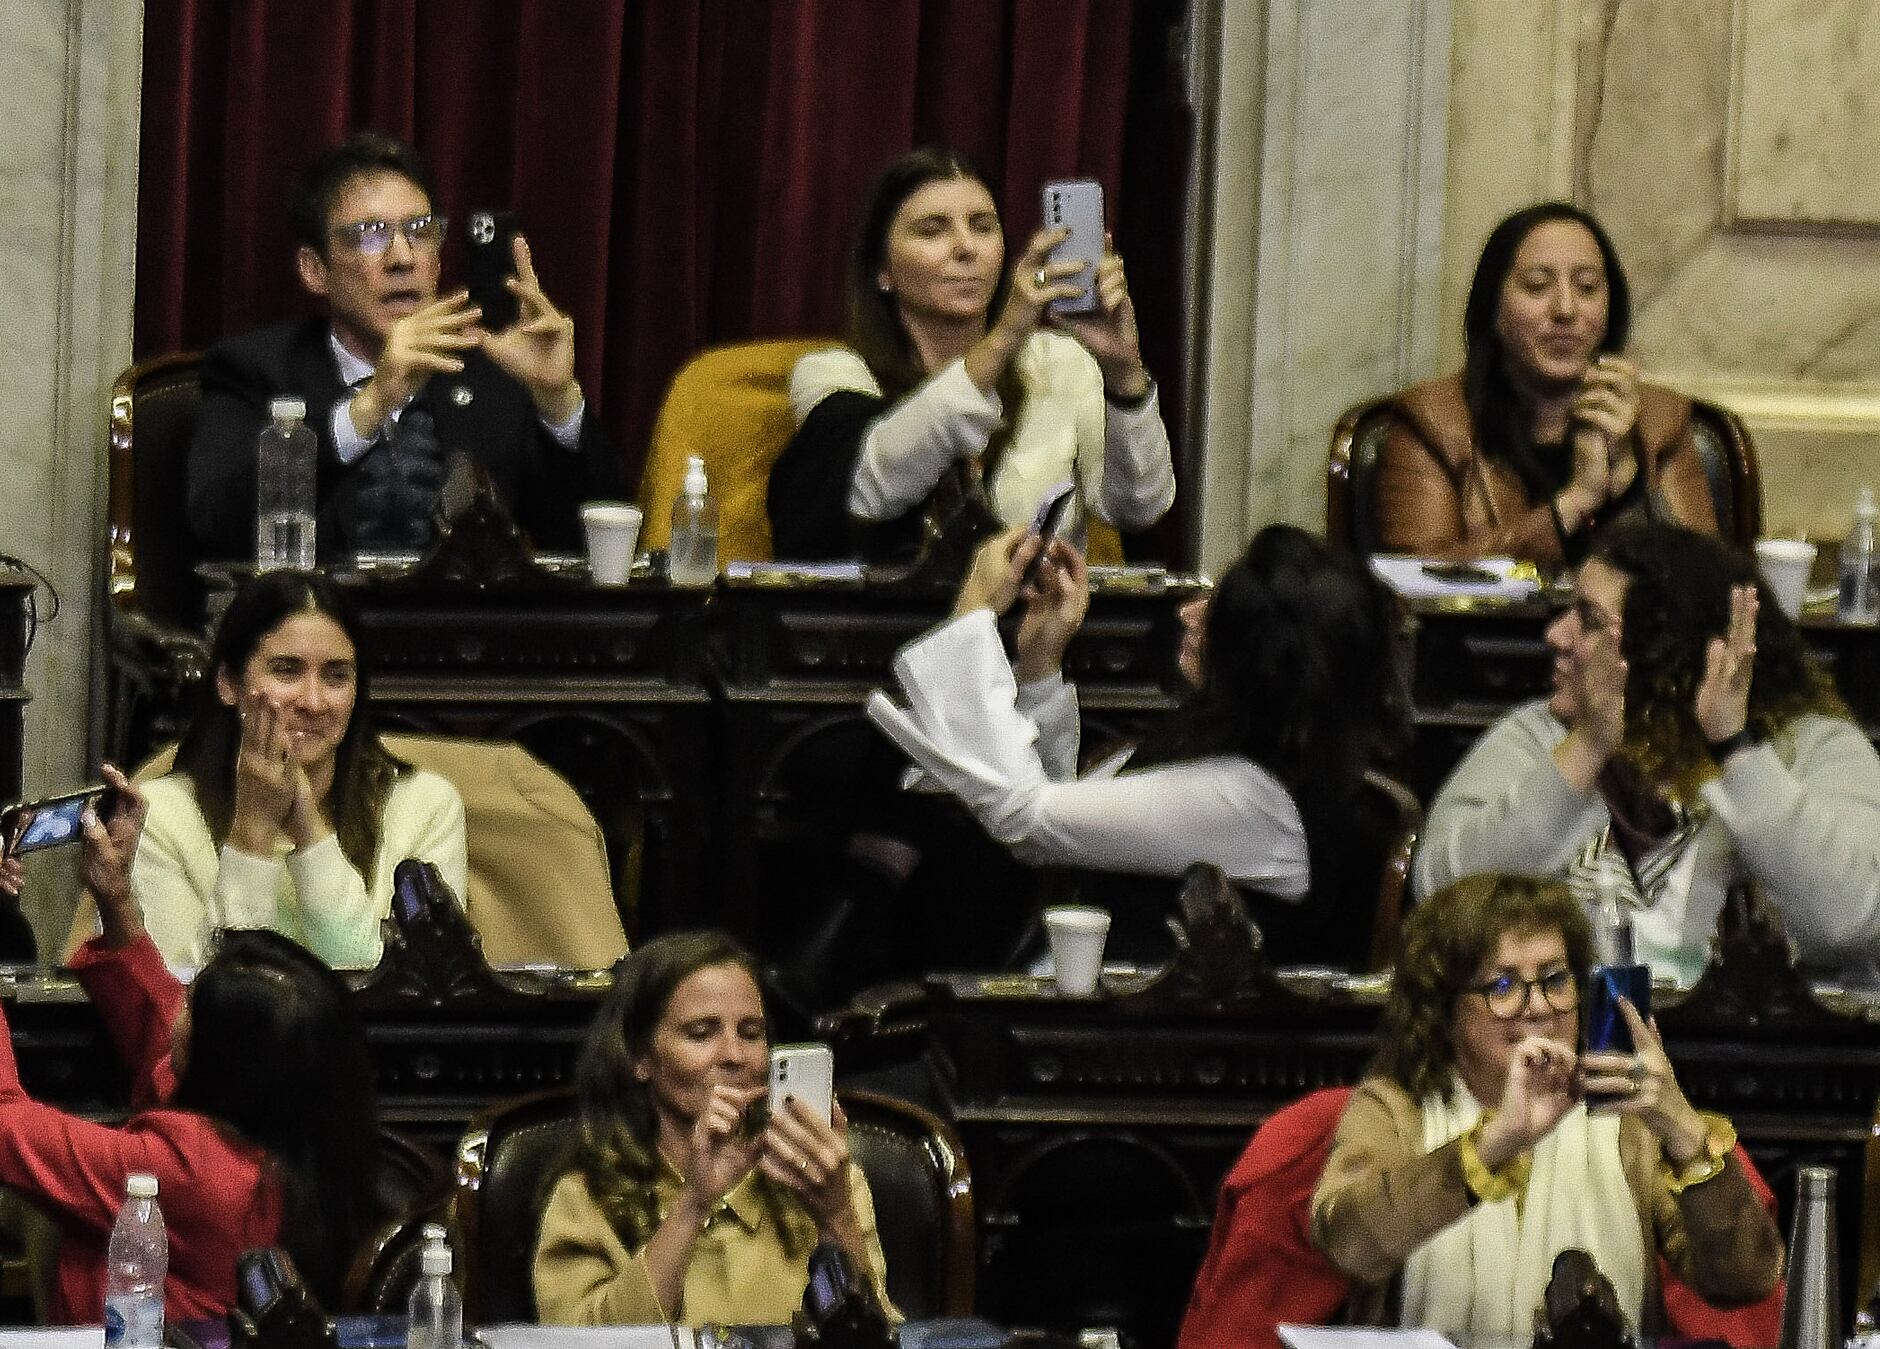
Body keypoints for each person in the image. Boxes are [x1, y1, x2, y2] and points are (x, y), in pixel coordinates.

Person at [871, 519, 1410, 964]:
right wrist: (1039, 666)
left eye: (1216, 616)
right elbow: (1070, 826)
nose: (1188, 614)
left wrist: (974, 611)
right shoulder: (1241, 746)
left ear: (1261, 670)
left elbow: (1028, 819)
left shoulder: (1256, 801)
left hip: (1118, 1055)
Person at [0, 821, 381, 1329]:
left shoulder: (188, 1177)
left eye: (192, 998)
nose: (176, 1004)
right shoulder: (294, 1134)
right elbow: (166, 1046)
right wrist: (117, 903)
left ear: (224, 1061)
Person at [1411, 518, 1880, 987]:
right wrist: (1587, 749)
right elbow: (1442, 903)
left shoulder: (1816, 750)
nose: (1556, 635)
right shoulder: (1539, 737)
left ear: (1662, 650)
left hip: (1760, 1052)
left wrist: (1736, 751)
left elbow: (1854, 923)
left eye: (1588, 620)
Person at [1303, 873, 1782, 1331]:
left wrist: (1680, 1127)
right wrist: (1495, 1143)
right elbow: (1349, 1245)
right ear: (1443, 1010)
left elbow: (1746, 1280)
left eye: (1555, 980)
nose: (1538, 1007)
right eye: (1504, 987)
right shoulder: (1395, 1108)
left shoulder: (1626, 1123)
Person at [180, 134, 612, 569]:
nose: (402, 257)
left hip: (462, 630)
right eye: (371, 234)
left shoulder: (492, 373)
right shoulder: (255, 370)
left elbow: (591, 548)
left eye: (420, 232)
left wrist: (558, 402)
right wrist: (371, 404)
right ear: (315, 270)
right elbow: (215, 522)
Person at [770, 150, 1173, 566]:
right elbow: (876, 482)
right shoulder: (833, 372)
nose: (966, 248)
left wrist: (1124, 371)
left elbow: (1139, 507)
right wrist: (1007, 334)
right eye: (932, 231)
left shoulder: (1060, 361)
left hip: (1039, 621)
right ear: (881, 271)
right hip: (900, 626)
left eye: (982, 227)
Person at [531, 931, 892, 1325]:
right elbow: (585, 1342)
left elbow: (877, 1336)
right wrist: (693, 1203)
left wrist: (835, 1215)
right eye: (701, 1033)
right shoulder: (584, 1197)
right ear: (639, 1058)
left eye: (751, 1033)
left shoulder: (829, 1182)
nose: (734, 1056)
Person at [121, 566, 467, 973]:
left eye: (336, 676)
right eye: (287, 671)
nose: (314, 702)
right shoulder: (158, 816)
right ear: (229, 683)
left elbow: (385, 990)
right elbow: (194, 1001)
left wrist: (309, 828)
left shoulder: (425, 805)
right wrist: (253, 833)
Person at [1368, 203, 1718, 569]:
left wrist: (1630, 485)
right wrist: (1574, 503)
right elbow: (1415, 578)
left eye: (1586, 287)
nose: (1565, 310)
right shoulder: (1433, 421)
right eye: (1537, 286)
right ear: (1493, 307)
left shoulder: (1660, 422)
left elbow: (1708, 584)